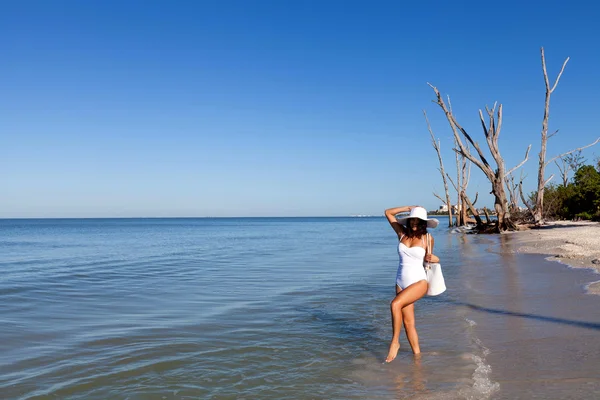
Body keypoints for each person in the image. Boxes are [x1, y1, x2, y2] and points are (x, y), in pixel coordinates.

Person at [384, 205, 440, 363]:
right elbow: (388, 213)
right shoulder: (401, 233)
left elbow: (430, 260)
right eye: (412, 219)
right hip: (400, 282)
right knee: (409, 323)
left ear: (423, 222)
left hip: (419, 282)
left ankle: (395, 342)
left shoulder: (427, 238)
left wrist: (436, 259)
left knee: (395, 305)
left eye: (417, 220)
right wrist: (408, 207)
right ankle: (418, 358)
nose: (414, 222)